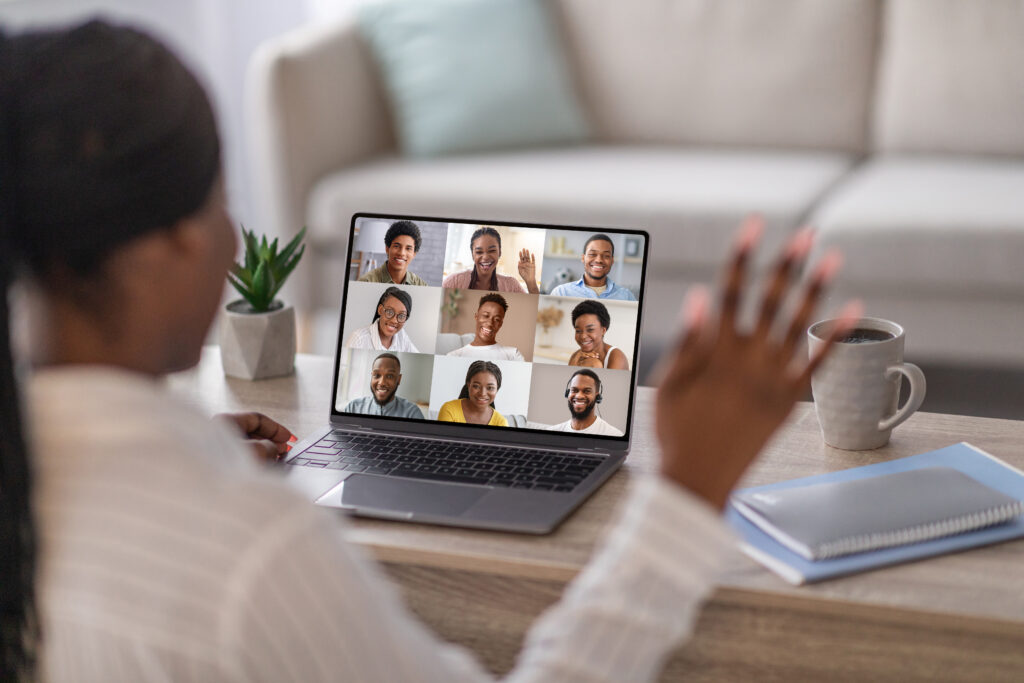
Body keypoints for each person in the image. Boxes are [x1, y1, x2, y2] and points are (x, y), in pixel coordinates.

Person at [0, 20, 859, 682]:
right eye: (222, 198)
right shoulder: (254, 558)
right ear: (166, 243)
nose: (236, 240)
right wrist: (685, 495)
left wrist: (186, 450)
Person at [442, 226, 539, 293]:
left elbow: (534, 312)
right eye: (479, 252)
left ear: (499, 252)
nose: (485, 257)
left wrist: (531, 282)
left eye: (491, 250)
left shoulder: (511, 286)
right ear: (472, 255)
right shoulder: (453, 282)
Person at [550, 233, 637, 300]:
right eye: (592, 254)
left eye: (606, 256)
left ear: (612, 260)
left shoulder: (627, 296)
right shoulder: (561, 293)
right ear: (583, 258)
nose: (599, 260)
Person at [343, 353, 424, 419]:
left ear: (399, 379)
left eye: (390, 376)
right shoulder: (353, 408)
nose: (382, 383)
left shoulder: (412, 413)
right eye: (377, 375)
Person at [446, 293, 524, 361]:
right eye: (486, 316)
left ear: (500, 324)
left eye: (497, 319)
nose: (490, 323)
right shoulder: (454, 356)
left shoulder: (513, 355)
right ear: (476, 316)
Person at [549, 369, 624, 436]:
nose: (579, 396)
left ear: (597, 397)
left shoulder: (614, 435)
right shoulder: (552, 432)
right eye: (574, 390)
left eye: (587, 391)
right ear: (567, 393)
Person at [345, 285, 419, 352]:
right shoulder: (358, 339)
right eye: (389, 312)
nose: (394, 320)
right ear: (380, 310)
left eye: (401, 316)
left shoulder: (402, 336)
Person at [436, 360, 509, 427]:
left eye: (490, 388)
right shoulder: (449, 409)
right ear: (468, 385)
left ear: (497, 389)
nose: (482, 393)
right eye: (476, 386)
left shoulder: (501, 422)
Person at [358, 220, 429, 286]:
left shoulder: (421, 286)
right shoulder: (366, 282)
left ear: (414, 254)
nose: (402, 253)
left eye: (408, 248)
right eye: (397, 246)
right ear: (387, 248)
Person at [567, 300, 629, 370]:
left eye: (590, 330)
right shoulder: (576, 356)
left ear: (603, 330)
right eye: (578, 331)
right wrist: (575, 362)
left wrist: (596, 365)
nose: (583, 336)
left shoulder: (616, 357)